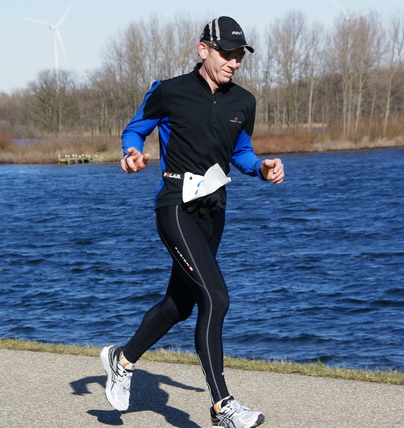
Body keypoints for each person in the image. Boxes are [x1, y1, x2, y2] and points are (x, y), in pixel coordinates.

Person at [100, 16, 284, 428]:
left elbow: (241, 150)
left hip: (214, 210)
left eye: (240, 56)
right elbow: (135, 130)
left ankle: (122, 359)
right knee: (216, 298)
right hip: (175, 206)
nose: (234, 62)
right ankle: (223, 407)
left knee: (179, 305)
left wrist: (262, 167)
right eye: (227, 53)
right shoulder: (169, 91)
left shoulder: (244, 102)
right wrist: (132, 153)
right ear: (204, 50)